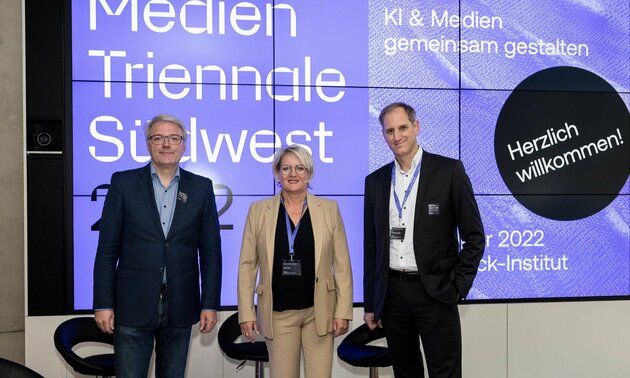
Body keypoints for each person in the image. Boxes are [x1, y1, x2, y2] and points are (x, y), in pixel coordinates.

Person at [93, 114, 222, 378]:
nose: (166, 144)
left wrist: (210, 303)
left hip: (181, 305)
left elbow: (210, 252)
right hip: (132, 303)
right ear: (148, 144)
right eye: (158, 138)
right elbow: (107, 250)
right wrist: (103, 303)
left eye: (174, 138)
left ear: (183, 145)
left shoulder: (201, 187)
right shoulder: (123, 183)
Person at [363, 102, 485, 378]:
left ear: (416, 127)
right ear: (383, 135)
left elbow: (475, 237)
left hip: (436, 292)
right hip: (392, 296)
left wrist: (456, 286)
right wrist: (372, 303)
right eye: (390, 130)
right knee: (406, 373)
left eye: (403, 127)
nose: (397, 136)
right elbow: (372, 249)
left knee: (445, 373)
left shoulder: (449, 172)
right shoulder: (376, 182)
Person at [237, 145, 353, 378]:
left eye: (300, 168)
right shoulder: (258, 211)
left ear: (309, 174)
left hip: (319, 312)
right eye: (286, 168)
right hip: (278, 314)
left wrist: (343, 310)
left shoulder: (329, 209)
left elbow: (342, 265)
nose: (293, 174)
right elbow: (247, 266)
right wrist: (246, 313)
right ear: (277, 173)